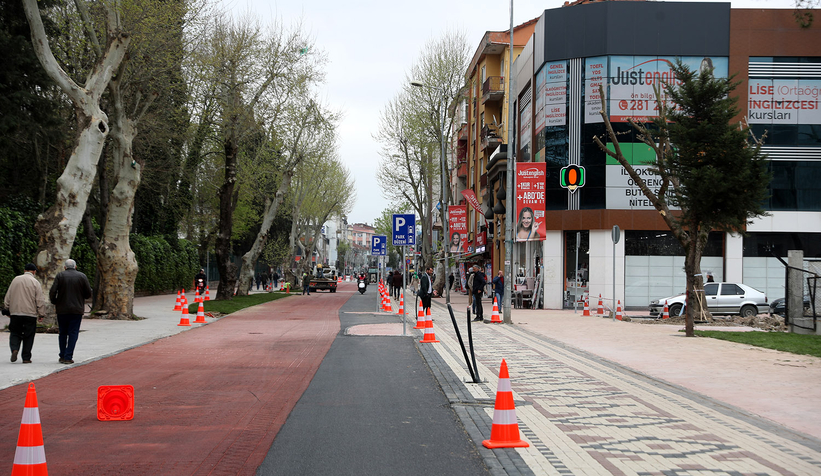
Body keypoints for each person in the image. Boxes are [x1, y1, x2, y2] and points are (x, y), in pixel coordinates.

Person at [49, 259, 92, 365]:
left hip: (62, 309)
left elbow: (53, 291)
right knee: (73, 332)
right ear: (75, 266)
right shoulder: (82, 276)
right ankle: (69, 356)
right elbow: (88, 293)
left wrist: (55, 301)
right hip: (76, 309)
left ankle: (62, 355)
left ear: (65, 267)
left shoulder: (60, 276)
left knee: (62, 332)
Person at [3, 263, 45, 364]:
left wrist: (7, 309)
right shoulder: (35, 282)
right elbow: (39, 299)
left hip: (16, 313)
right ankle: (26, 358)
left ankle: (14, 349)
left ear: (24, 270)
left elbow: (8, 297)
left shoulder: (15, 280)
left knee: (15, 332)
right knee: (29, 335)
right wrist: (41, 314)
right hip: (30, 314)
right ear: (34, 272)